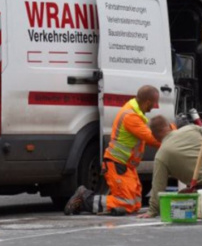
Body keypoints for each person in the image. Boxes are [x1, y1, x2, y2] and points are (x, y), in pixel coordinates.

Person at [65, 85, 161, 216]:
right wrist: (172, 137)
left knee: (135, 203)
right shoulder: (131, 116)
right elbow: (152, 139)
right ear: (148, 102)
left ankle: (91, 202)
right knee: (126, 203)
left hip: (125, 166)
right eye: (154, 103)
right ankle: (85, 198)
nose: (155, 106)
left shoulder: (135, 112)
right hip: (117, 164)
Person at [145, 116, 202, 218]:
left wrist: (152, 211)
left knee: (183, 195)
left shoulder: (161, 156)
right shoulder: (190, 128)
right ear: (170, 126)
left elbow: (158, 186)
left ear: (153, 135)